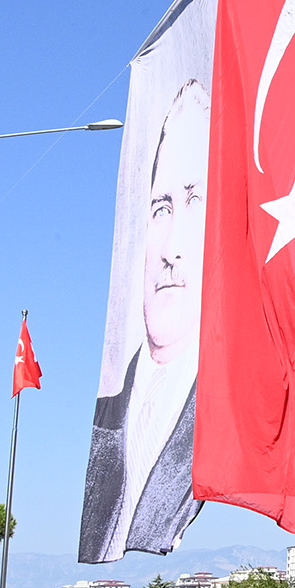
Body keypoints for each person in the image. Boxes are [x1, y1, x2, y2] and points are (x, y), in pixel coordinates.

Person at [77, 77, 210, 562]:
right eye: (162, 207)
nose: (171, 249)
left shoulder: (229, 413)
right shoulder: (108, 414)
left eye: (196, 203)